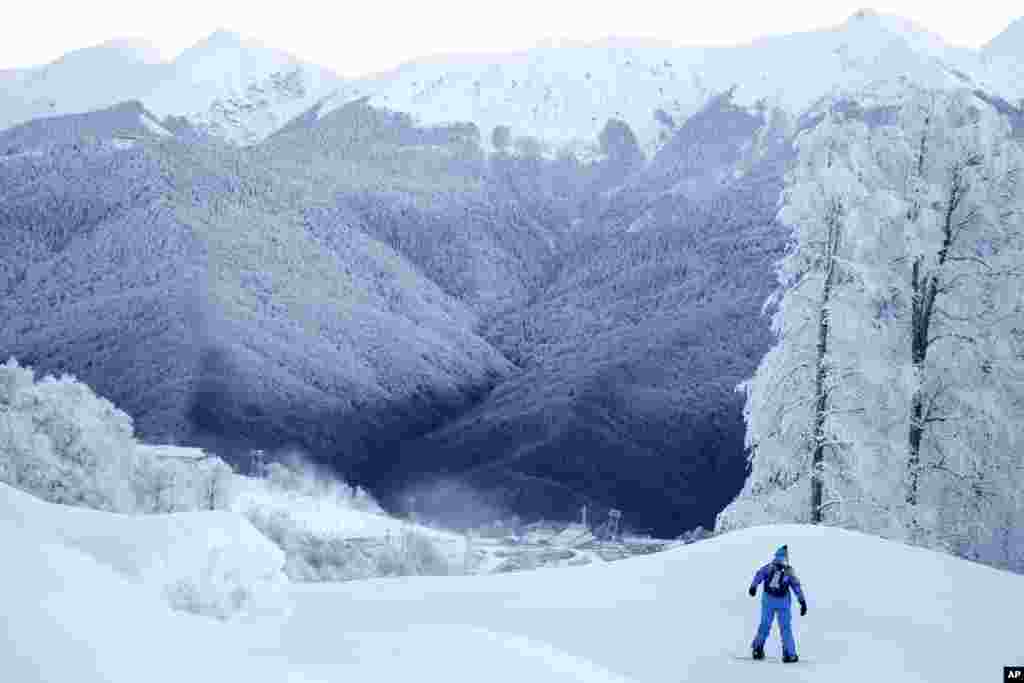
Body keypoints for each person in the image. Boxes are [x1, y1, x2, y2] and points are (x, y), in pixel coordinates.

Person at [747, 545, 807, 663]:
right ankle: (789, 654)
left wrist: (753, 586)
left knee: (765, 625)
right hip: (783, 602)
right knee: (785, 628)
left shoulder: (770, 567)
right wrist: (802, 601)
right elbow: (796, 586)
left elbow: (759, 574)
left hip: (768, 600)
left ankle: (757, 649)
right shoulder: (788, 571)